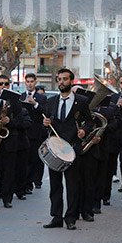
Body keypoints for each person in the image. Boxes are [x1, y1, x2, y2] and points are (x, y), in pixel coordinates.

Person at [38, 68, 91, 230]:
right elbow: (47, 123)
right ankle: (56, 217)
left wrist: (84, 131)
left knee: (72, 185)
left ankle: (71, 218)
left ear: (71, 81)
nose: (61, 82)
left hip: (72, 149)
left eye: (65, 79)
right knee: (55, 185)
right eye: (59, 79)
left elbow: (89, 121)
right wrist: (45, 124)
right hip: (55, 149)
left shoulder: (81, 101)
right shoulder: (51, 101)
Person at [0, 74, 28, 208]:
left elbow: (21, 120)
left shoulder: (15, 101)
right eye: (1, 83)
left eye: (6, 84)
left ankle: (7, 198)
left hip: (10, 140)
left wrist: (10, 121)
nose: (3, 86)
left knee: (9, 171)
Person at [20, 73, 46, 194]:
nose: (29, 84)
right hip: (23, 131)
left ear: (35, 82)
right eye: (28, 81)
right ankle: (24, 183)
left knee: (34, 159)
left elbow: (44, 112)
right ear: (25, 83)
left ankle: (32, 182)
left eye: (32, 81)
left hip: (36, 132)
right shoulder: (21, 96)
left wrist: (34, 103)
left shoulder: (41, 98)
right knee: (24, 160)